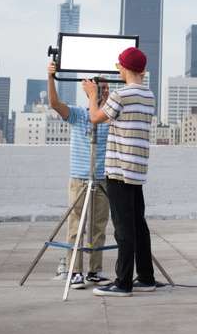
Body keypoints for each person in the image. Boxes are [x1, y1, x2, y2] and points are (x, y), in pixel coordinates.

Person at [83, 47, 157, 298]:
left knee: (123, 228)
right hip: (136, 168)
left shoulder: (120, 94)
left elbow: (94, 117)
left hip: (118, 170)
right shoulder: (148, 94)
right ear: (144, 71)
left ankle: (123, 282)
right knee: (138, 225)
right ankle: (146, 277)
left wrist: (92, 94)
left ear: (123, 68)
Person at [47, 60, 110, 289]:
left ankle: (94, 270)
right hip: (80, 178)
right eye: (99, 88)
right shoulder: (77, 114)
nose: (103, 91)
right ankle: (75, 271)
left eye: (106, 88)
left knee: (99, 227)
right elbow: (54, 103)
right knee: (76, 227)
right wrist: (51, 76)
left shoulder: (110, 117)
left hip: (103, 179)